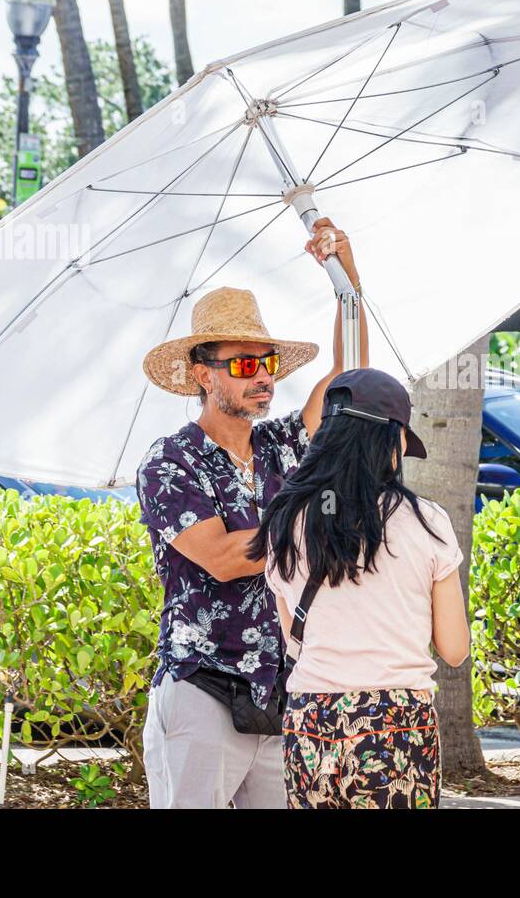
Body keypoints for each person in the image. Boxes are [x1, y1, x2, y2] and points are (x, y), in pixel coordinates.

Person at [136, 219, 367, 809]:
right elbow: (223, 558)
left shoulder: (282, 444)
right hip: (202, 687)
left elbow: (350, 375)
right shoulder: (170, 460)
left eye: (266, 363)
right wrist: (316, 531)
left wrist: (346, 273)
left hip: (279, 687)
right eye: (243, 366)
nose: (262, 376)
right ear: (201, 375)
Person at [255, 368, 470, 809]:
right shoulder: (426, 521)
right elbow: (454, 649)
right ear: (390, 442)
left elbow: (293, 640)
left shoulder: (285, 520)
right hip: (395, 724)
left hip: (309, 719)